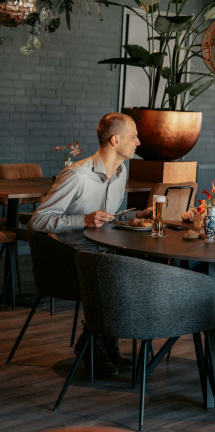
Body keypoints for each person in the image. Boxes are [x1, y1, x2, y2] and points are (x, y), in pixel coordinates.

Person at [29, 112, 152, 376]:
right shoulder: (76, 175)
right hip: (68, 257)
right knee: (115, 272)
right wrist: (81, 220)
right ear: (116, 140)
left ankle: (104, 341)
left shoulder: (120, 173)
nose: (139, 142)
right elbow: (37, 220)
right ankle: (93, 341)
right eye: (134, 136)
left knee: (135, 268)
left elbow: (107, 219)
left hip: (102, 252)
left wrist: (135, 216)